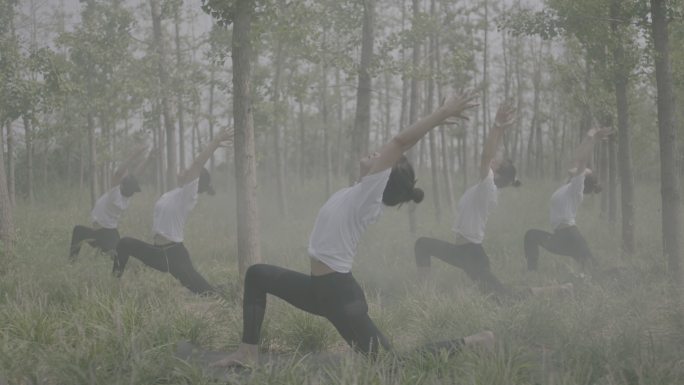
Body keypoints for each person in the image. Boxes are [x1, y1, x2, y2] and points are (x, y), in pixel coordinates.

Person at [213, 91, 494, 367]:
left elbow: (399, 142)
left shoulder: (368, 196)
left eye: (383, 157)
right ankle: (248, 353)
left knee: (392, 363)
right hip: (318, 289)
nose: (377, 151)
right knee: (257, 274)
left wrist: (440, 114)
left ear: (385, 175)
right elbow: (394, 147)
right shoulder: (359, 191)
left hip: (340, 296)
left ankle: (477, 341)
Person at [413, 102, 520, 298]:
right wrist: (501, 130)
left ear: (497, 173)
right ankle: (424, 294)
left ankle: (557, 290)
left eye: (498, 163)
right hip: (464, 252)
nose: (495, 160)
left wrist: (496, 126)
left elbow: (486, 156)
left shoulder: (487, 187)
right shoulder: (486, 187)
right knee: (422, 244)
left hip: (471, 254)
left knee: (505, 298)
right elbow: (491, 155)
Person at [112, 129, 232, 295]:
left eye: (188, 170)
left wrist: (216, 142)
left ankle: (231, 289)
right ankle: (114, 285)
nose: (184, 169)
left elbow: (197, 164)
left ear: (194, 180)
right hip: (158, 253)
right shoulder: (172, 193)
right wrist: (150, 157)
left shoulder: (188, 195)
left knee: (207, 292)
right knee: (124, 243)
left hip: (175, 255)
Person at [523, 127, 612, 273]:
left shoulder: (576, 188)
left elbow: (582, 160)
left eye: (583, 170)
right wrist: (591, 140)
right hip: (560, 237)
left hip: (571, 237)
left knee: (595, 273)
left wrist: (591, 137)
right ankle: (531, 273)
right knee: (531, 236)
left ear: (583, 179)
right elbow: (578, 158)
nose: (578, 167)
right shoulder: (569, 185)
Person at [69, 144, 148, 262]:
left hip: (105, 233)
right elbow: (136, 175)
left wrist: (134, 154)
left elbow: (119, 172)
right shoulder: (126, 197)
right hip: (104, 232)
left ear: (121, 185)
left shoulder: (115, 195)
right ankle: (73, 261)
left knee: (117, 258)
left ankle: (72, 262)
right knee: (79, 231)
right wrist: (148, 160)